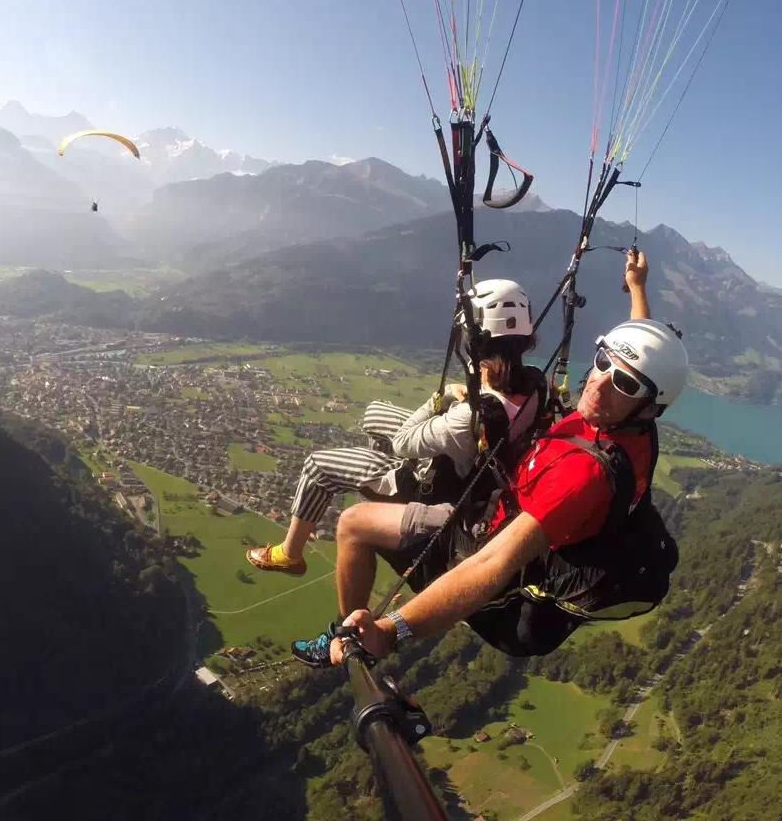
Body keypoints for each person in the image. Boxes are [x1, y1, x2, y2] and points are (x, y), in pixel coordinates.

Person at [290, 249, 688, 667]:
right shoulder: (627, 428)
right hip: (500, 507)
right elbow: (646, 353)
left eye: (622, 382)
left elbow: (492, 562)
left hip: (479, 548)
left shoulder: (582, 476)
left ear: (648, 405)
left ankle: (346, 636)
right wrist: (638, 290)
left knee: (354, 523)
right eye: (603, 360)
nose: (598, 383)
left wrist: (390, 632)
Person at [246, 280, 543, 576]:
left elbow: (402, 441)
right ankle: (382, 469)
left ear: (476, 341)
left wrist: (442, 397)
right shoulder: (534, 384)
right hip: (474, 457)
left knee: (316, 467)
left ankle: (290, 554)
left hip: (439, 485)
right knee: (374, 413)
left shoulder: (467, 417)